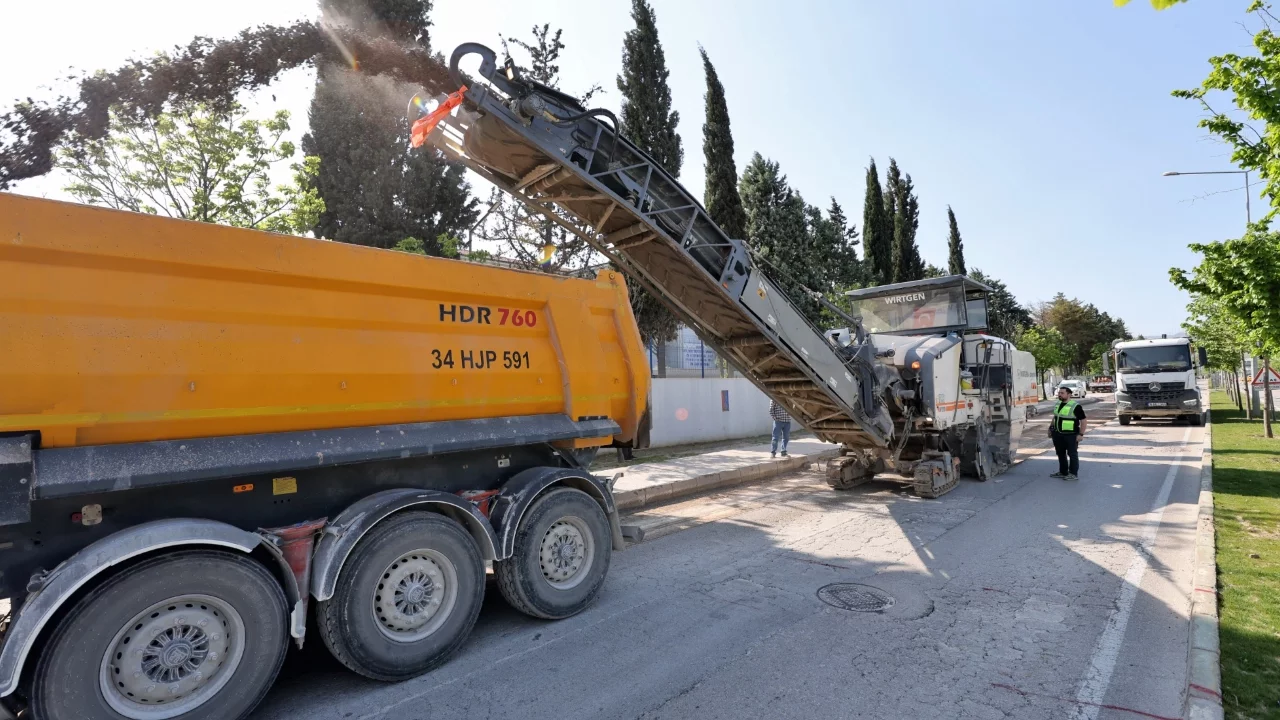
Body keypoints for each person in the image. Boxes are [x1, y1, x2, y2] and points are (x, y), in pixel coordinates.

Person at [1049, 385, 1087, 480]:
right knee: (1060, 453)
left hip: (1071, 435)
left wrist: (1081, 434)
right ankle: (1063, 472)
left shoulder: (1075, 406)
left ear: (1069, 394)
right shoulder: (1058, 404)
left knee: (1072, 454)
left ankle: (1073, 474)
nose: (1060, 394)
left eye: (1062, 393)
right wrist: (1050, 428)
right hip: (1058, 434)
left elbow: (1083, 420)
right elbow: (1055, 417)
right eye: (1059, 393)